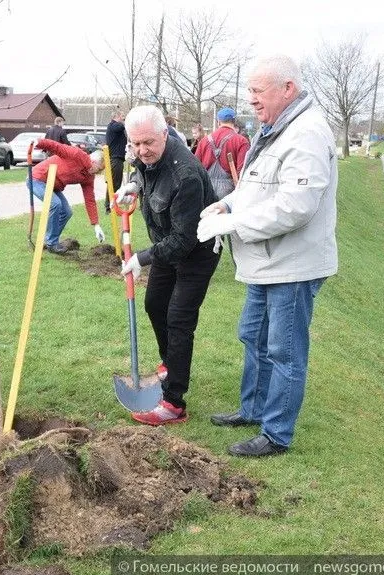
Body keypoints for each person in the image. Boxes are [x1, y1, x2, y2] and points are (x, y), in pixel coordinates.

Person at [197, 55, 338, 457]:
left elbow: (296, 206)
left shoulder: (307, 133)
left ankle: (276, 433)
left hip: (294, 264)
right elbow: (257, 185)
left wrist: (234, 225)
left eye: (258, 91)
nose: (251, 100)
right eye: (250, 91)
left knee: (284, 349)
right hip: (267, 261)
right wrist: (227, 205)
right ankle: (254, 408)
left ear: (287, 89)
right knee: (252, 333)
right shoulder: (275, 129)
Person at [117, 105, 221, 426]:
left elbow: (183, 242)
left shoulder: (185, 175)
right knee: (154, 304)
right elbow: (142, 169)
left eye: (147, 142)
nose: (140, 150)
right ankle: (169, 362)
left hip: (197, 251)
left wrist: (141, 258)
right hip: (168, 243)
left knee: (178, 317)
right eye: (134, 144)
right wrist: (134, 185)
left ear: (165, 134)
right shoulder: (144, 155)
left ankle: (173, 403)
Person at [28, 138, 105, 253]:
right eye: (97, 169)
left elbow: (90, 200)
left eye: (99, 172)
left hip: (53, 186)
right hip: (37, 179)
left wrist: (96, 225)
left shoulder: (88, 177)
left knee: (67, 212)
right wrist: (39, 142)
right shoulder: (77, 154)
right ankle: (52, 243)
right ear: (93, 161)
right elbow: (57, 147)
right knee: (55, 204)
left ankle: (50, 240)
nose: (96, 173)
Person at [194, 107, 250, 200]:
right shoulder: (241, 141)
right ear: (234, 121)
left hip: (206, 190)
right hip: (229, 194)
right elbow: (242, 171)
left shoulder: (204, 141)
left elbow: (195, 167)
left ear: (218, 122)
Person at [104, 109, 127, 213]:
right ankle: (110, 206)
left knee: (114, 183)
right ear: (116, 117)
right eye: (121, 116)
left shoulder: (114, 126)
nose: (123, 118)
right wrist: (124, 121)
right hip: (115, 159)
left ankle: (110, 205)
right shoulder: (113, 125)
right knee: (114, 183)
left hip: (117, 159)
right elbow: (121, 126)